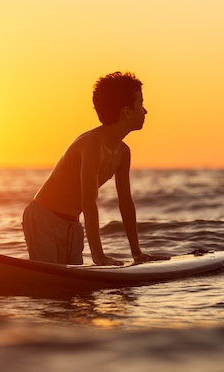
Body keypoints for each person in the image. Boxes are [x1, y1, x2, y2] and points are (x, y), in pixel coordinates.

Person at [22, 71, 169, 266]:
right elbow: (89, 202)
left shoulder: (123, 153)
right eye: (141, 104)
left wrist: (137, 253)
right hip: (43, 218)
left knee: (72, 291)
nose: (145, 111)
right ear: (126, 112)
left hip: (72, 225)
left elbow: (125, 202)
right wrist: (98, 256)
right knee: (48, 289)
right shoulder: (91, 146)